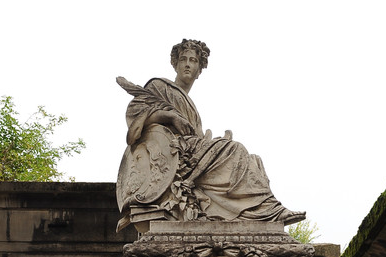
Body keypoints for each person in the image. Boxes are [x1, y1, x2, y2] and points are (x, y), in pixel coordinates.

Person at [116, 39, 304, 232]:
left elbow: (195, 139)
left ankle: (260, 213)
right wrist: (169, 116)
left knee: (254, 160)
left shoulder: (192, 108)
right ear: (175, 64)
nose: (188, 64)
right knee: (236, 149)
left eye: (193, 61)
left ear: (199, 70)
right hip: (175, 155)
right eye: (183, 59)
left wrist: (211, 141)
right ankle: (268, 212)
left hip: (191, 155)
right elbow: (135, 121)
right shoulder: (159, 86)